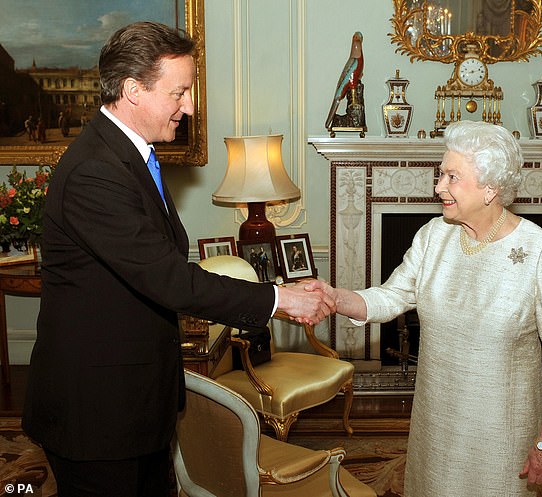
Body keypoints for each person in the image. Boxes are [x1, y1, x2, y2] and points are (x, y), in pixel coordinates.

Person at [22, 21, 334, 497]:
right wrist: (279, 299)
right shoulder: (94, 172)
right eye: (179, 92)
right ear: (133, 90)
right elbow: (169, 279)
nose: (189, 107)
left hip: (136, 400)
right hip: (97, 413)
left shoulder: (132, 155)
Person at [308, 120, 542, 497]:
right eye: (441, 174)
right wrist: (336, 298)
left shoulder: (540, 254)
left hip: (501, 431)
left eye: (452, 177)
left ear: (491, 188)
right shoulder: (433, 236)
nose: (439, 187)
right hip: (436, 421)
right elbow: (391, 297)